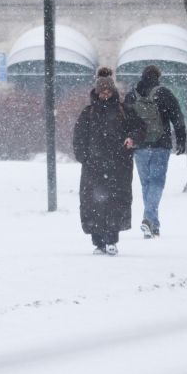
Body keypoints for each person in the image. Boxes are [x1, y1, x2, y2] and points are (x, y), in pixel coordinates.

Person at [72, 67, 144, 255]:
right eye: (102, 91)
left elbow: (140, 128)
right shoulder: (88, 113)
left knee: (115, 201)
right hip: (94, 167)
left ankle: (111, 239)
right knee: (93, 203)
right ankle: (98, 241)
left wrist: (132, 138)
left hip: (118, 166)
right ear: (96, 91)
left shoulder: (124, 111)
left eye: (108, 91)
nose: (105, 95)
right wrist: (84, 158)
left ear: (113, 91)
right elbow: (78, 138)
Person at [123, 64, 187, 238]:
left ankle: (153, 224)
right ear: (158, 77)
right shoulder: (164, 93)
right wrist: (181, 139)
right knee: (157, 183)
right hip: (161, 144)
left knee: (146, 184)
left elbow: (125, 121)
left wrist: (129, 138)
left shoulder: (131, 95)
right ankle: (149, 219)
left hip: (139, 146)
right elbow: (177, 117)